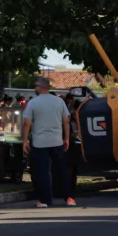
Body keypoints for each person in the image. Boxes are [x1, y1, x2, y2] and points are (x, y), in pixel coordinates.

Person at [22, 77, 75, 208]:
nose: (34, 88)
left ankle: (45, 200)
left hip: (40, 143)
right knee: (61, 170)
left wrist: (24, 141)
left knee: (42, 172)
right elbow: (66, 121)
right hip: (57, 141)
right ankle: (69, 198)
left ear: (40, 87)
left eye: (35, 86)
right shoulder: (59, 101)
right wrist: (66, 138)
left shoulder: (33, 103)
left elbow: (26, 123)